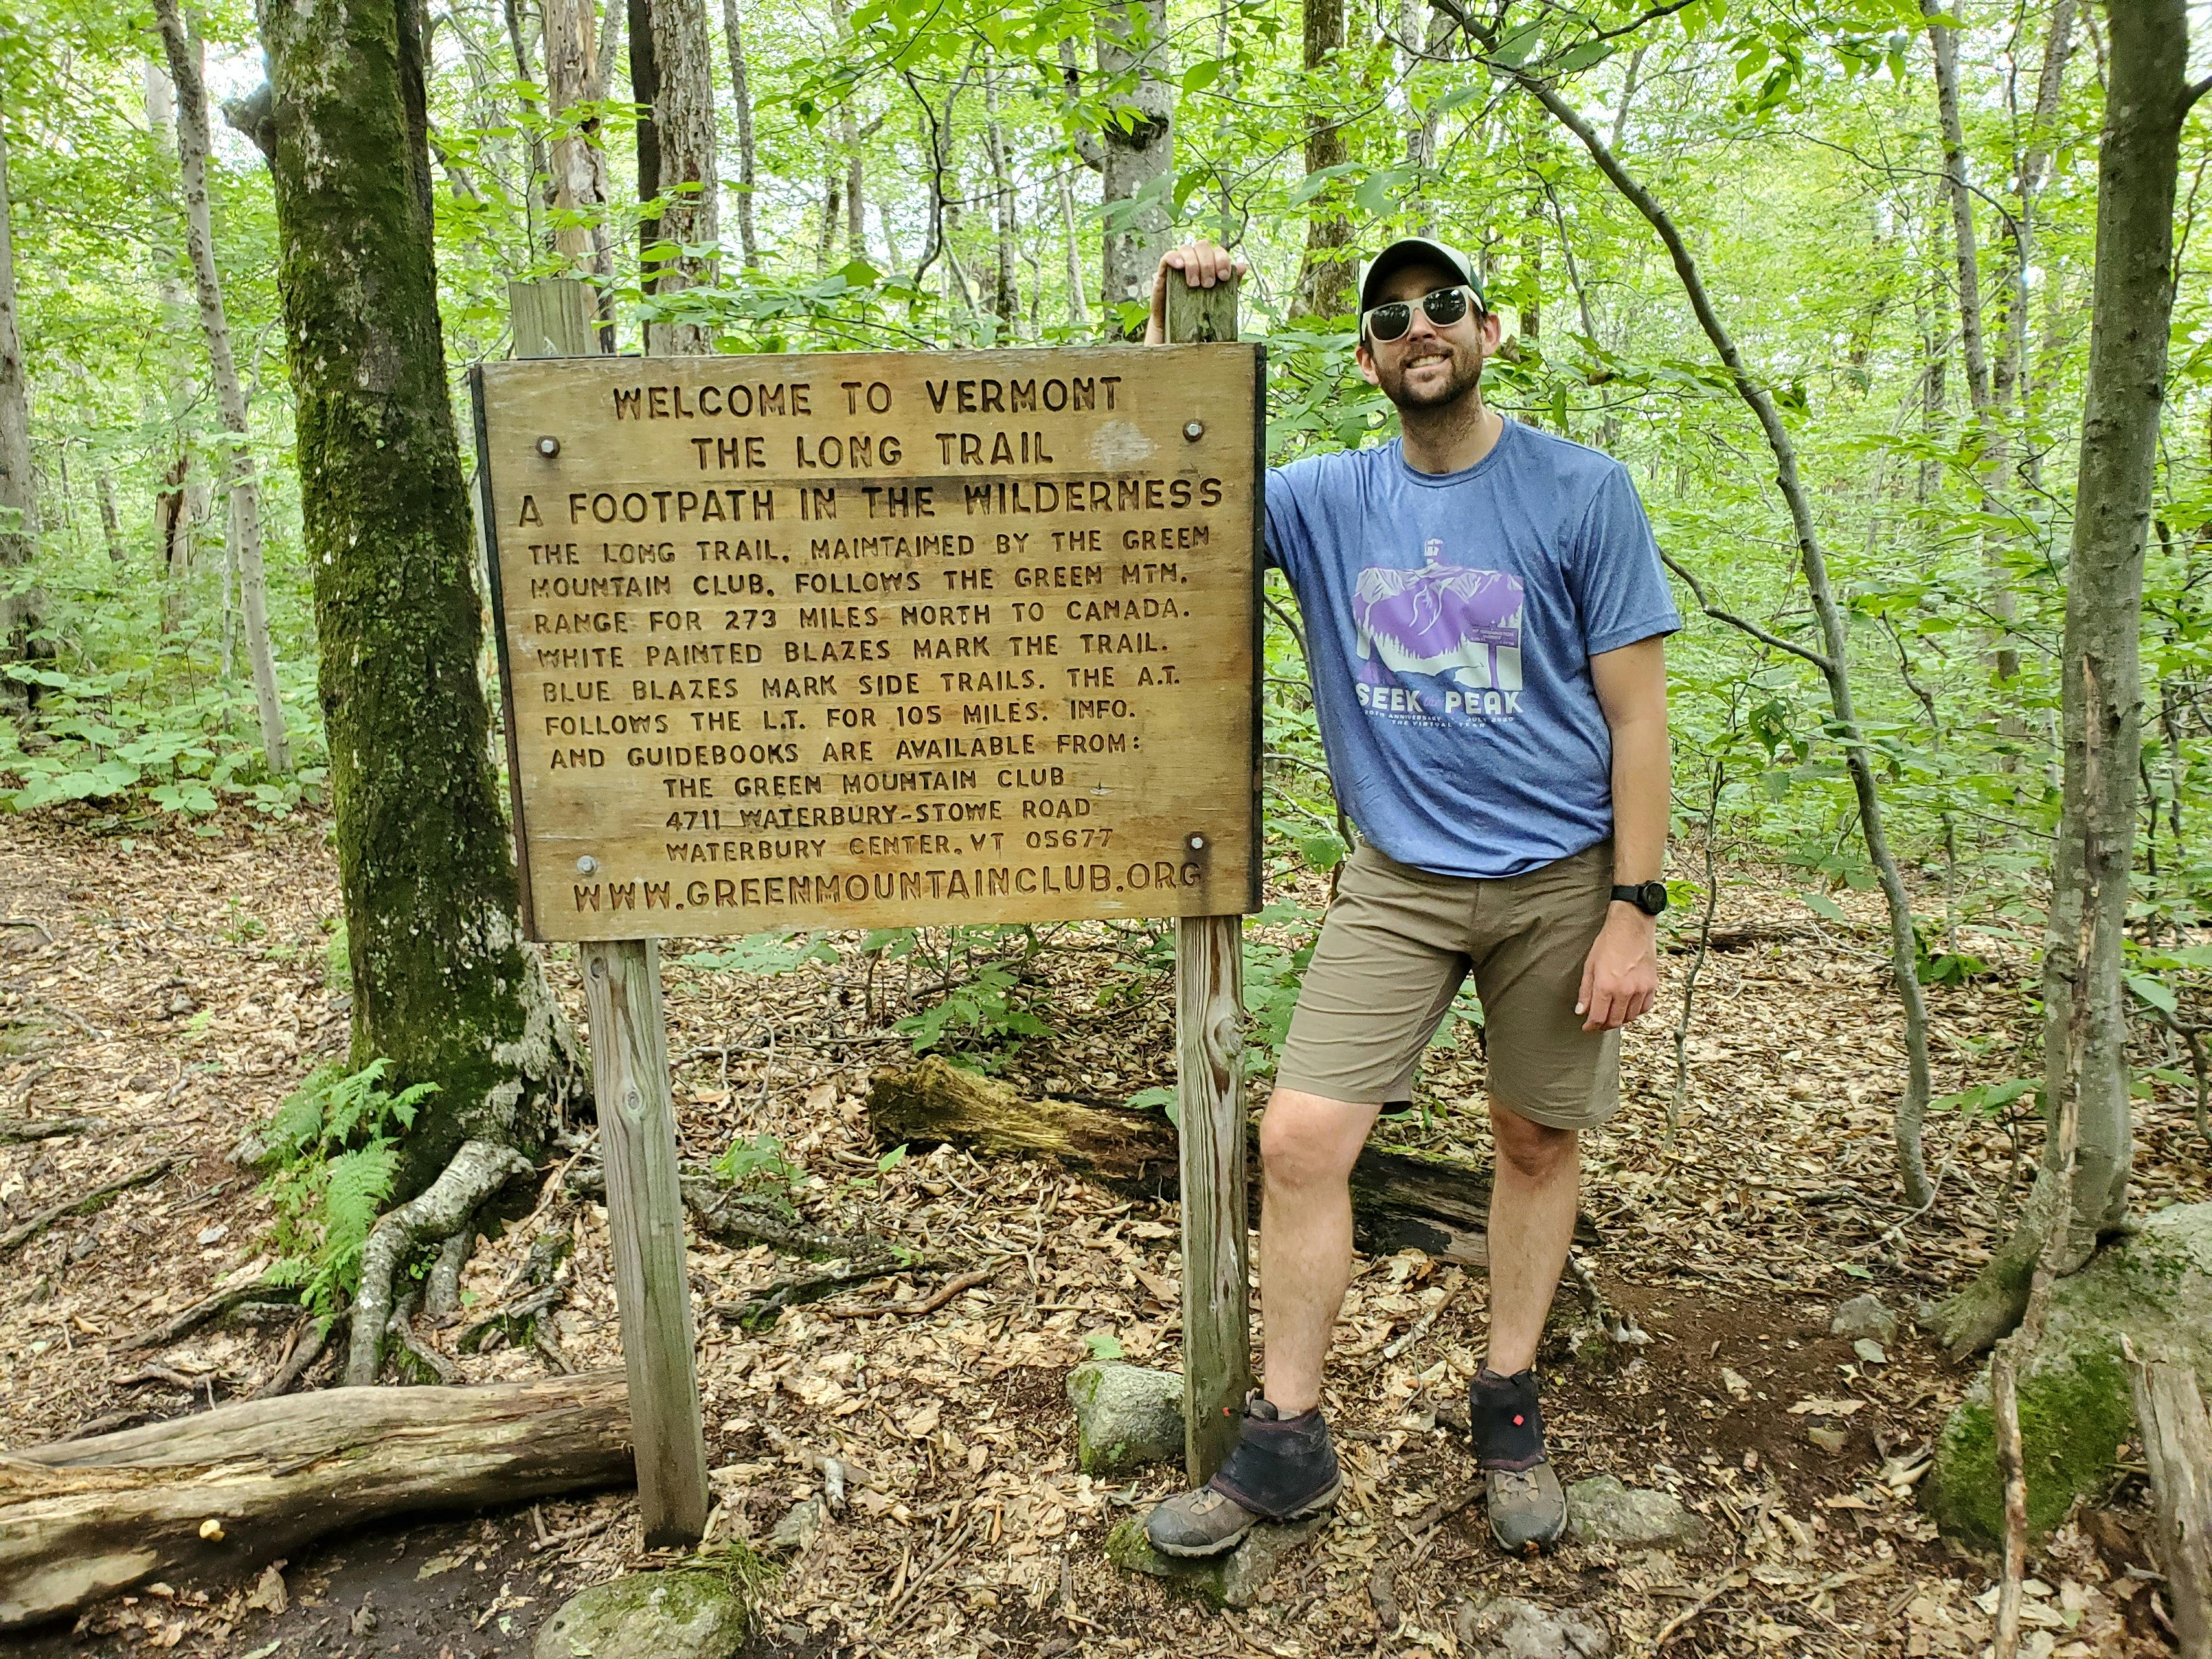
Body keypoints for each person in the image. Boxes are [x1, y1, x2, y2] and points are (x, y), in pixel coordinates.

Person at [1140, 237, 1678, 1557]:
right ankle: (1286, 1442)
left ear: (1486, 330)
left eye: (1442, 307)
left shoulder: (1581, 491)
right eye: (1393, 318)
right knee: (1300, 1142)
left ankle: (1507, 1403)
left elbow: (1641, 714)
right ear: (1370, 355)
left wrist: (1635, 906)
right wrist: (1173, 325)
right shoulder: (1327, 500)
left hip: (1560, 880)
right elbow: (1170, 482)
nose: (1419, 330)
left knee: (1536, 1143)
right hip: (1399, 883)